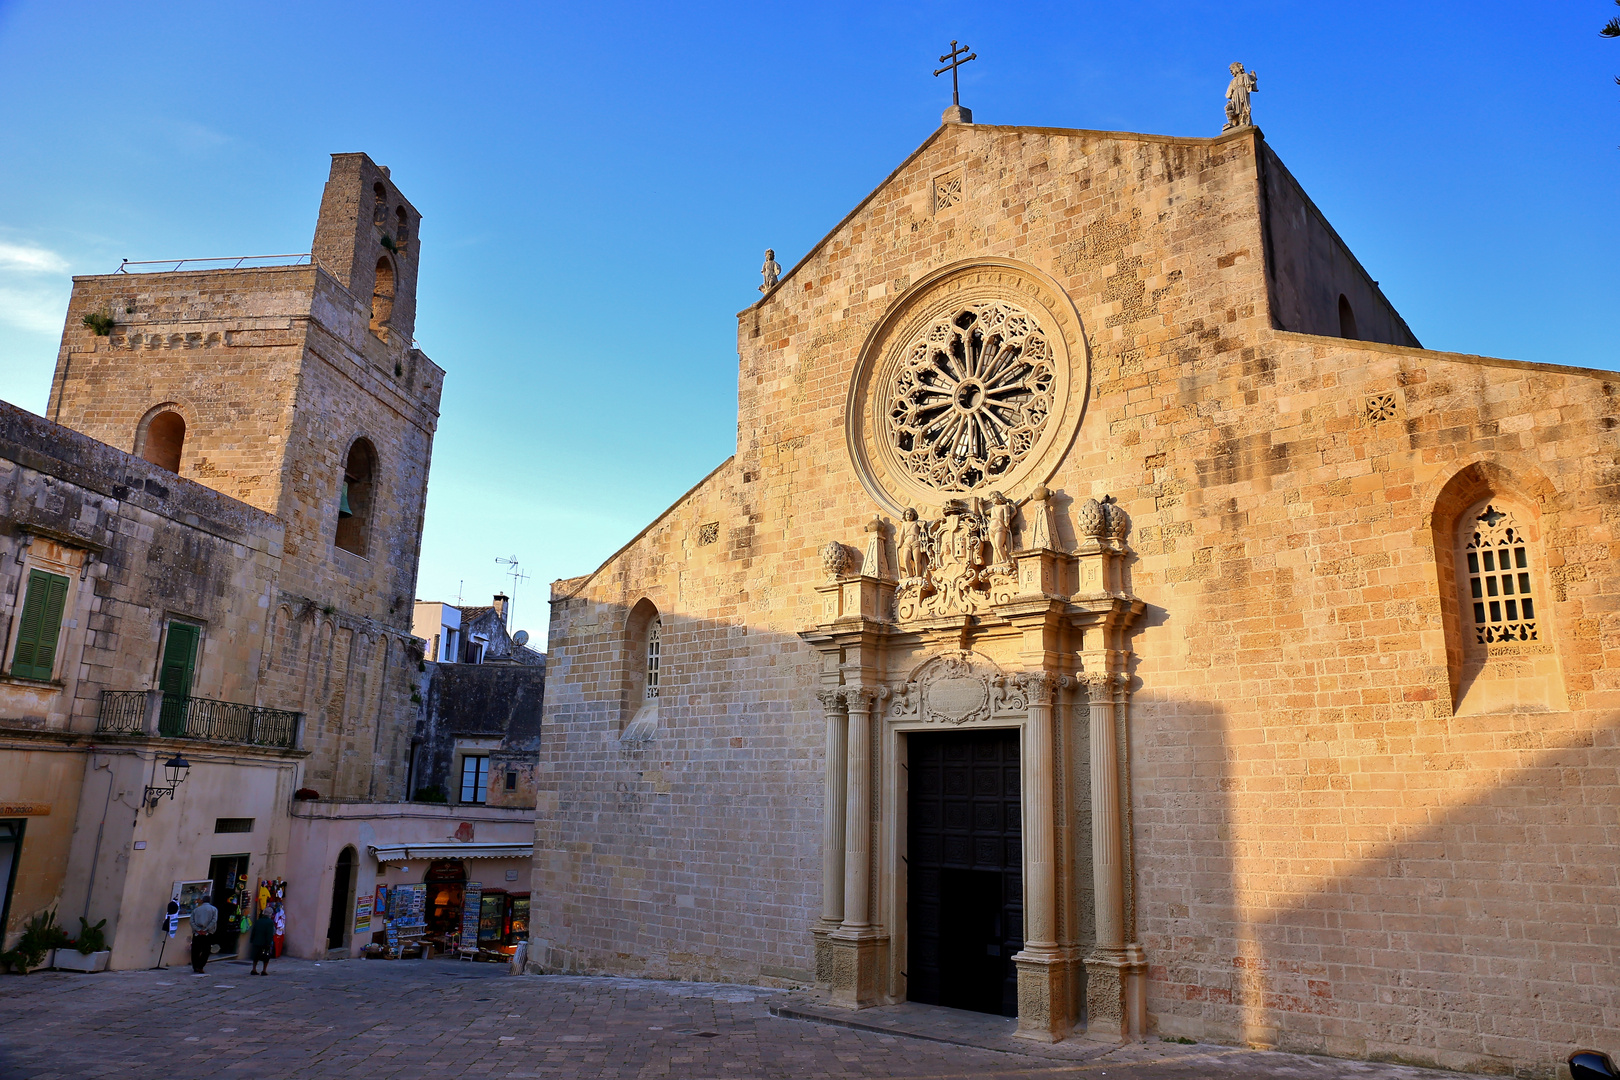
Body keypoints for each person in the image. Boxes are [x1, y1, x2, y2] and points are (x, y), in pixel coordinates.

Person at [189, 894, 218, 975]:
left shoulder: (196, 909)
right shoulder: (213, 909)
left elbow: (191, 921)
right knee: (206, 950)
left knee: (195, 950)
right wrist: (206, 930)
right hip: (207, 933)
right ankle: (200, 966)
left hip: (197, 933)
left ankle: (195, 966)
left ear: (202, 901)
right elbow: (214, 921)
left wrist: (198, 930)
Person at [248, 909, 275, 976]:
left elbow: (253, 931)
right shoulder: (270, 922)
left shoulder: (258, 921)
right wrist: (269, 942)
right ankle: (264, 970)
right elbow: (269, 933)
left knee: (256, 956)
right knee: (266, 956)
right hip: (265, 942)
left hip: (256, 941)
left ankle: (254, 969)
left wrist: (252, 939)